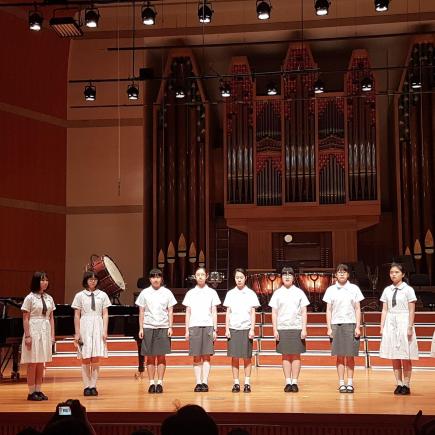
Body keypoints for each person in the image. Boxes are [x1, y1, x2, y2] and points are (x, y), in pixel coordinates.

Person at [323, 263, 364, 393]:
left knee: (350, 356)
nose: (341, 274)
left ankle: (350, 383)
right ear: (335, 274)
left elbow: (357, 308)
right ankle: (341, 383)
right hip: (336, 325)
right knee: (340, 356)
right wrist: (329, 328)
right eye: (339, 272)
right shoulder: (330, 289)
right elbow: (328, 310)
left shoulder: (354, 288)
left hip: (351, 324)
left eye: (344, 272)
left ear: (348, 274)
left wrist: (358, 326)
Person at [379, 262, 419, 395]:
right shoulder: (387, 290)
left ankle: (406, 384)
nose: (393, 275)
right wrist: (382, 326)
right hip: (391, 321)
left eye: (396, 272)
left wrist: (409, 326)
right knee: (394, 355)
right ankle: (399, 383)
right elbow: (384, 309)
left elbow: (412, 310)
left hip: (404, 320)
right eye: (391, 272)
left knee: (405, 355)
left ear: (403, 274)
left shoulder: (408, 290)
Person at [135, 268, 177, 394]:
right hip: (148, 327)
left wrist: (170, 327)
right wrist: (141, 328)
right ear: (150, 279)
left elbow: (170, 311)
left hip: (163, 327)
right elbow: (141, 311)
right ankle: (151, 383)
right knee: (150, 357)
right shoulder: (144, 293)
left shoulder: (167, 292)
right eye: (153, 277)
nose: (156, 279)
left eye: (158, 277)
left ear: (161, 278)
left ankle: (160, 382)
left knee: (161, 356)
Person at [269, 267, 310, 393]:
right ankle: (288, 382)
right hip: (282, 327)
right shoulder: (277, 293)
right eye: (285, 275)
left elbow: (304, 311)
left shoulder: (299, 292)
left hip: (296, 327)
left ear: (293, 277)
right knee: (285, 356)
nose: (287, 277)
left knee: (296, 355)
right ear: (281, 277)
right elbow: (274, 313)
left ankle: (295, 382)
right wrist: (275, 329)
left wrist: (304, 329)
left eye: (290, 275)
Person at [72, 271, 111, 396]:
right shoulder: (80, 295)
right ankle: (86, 386)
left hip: (98, 325)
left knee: (95, 356)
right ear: (86, 281)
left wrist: (104, 330)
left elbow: (105, 313)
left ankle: (93, 385)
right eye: (90, 279)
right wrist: (77, 333)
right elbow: (77, 315)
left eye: (95, 279)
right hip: (85, 326)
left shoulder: (103, 295)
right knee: (85, 357)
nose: (93, 281)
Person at [182, 266, 221, 392]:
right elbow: (188, 312)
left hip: (208, 325)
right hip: (194, 326)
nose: (200, 277)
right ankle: (198, 382)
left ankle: (205, 381)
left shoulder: (212, 292)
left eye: (202, 275)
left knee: (206, 356)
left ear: (206, 276)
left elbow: (214, 311)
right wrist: (186, 329)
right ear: (195, 276)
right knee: (196, 356)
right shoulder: (190, 293)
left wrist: (215, 329)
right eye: (198, 274)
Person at [21, 271, 56, 401]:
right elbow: (25, 318)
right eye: (42, 280)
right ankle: (31, 392)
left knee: (41, 362)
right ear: (36, 282)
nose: (45, 282)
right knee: (33, 362)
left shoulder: (49, 298)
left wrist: (52, 335)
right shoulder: (29, 298)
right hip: (34, 328)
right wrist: (28, 336)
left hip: (45, 329)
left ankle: (38, 389)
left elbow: (51, 318)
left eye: (46, 280)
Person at [224, 268, 260, 393]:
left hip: (246, 328)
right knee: (234, 357)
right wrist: (227, 328)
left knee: (247, 357)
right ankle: (236, 383)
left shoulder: (251, 293)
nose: (239, 279)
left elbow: (253, 312)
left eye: (241, 277)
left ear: (245, 278)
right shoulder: (230, 293)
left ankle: (247, 383)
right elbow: (228, 312)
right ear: (234, 279)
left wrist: (252, 329)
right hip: (234, 328)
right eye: (237, 277)